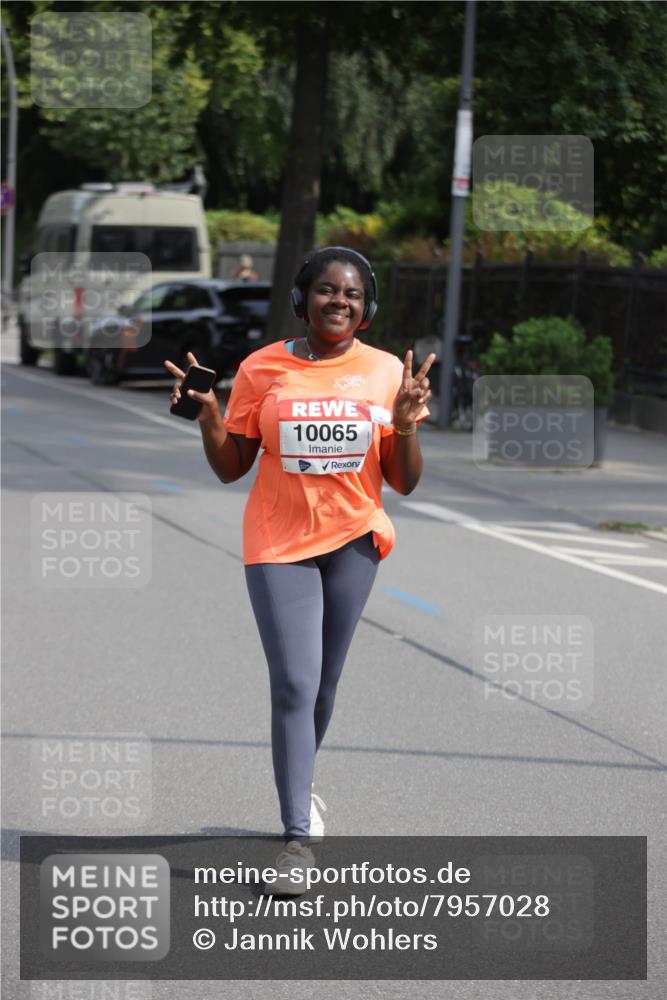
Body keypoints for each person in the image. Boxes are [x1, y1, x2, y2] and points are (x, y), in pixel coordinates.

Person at [164, 246, 434, 892]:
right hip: (277, 541)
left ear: (365, 310)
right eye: (326, 291)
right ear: (302, 299)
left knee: (322, 685)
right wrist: (208, 418)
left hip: (353, 540)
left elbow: (403, 481)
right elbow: (232, 466)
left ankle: (300, 787)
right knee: (292, 681)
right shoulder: (263, 369)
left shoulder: (384, 373)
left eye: (352, 295)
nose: (339, 301)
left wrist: (405, 427)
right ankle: (295, 839)